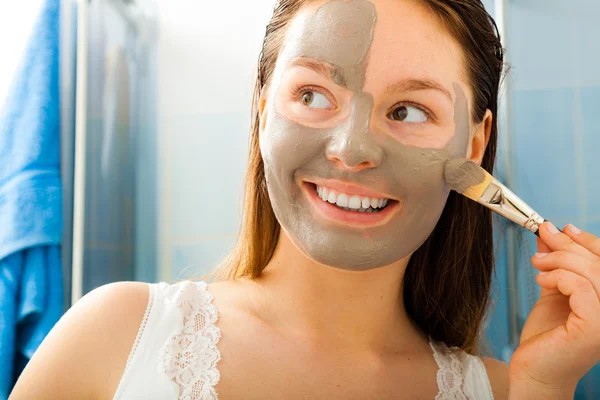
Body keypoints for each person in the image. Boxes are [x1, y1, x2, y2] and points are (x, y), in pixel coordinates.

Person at [10, 0, 600, 399]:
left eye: (409, 110)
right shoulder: (111, 338)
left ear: (475, 142)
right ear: (264, 108)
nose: (351, 148)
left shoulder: (509, 391)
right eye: (313, 94)